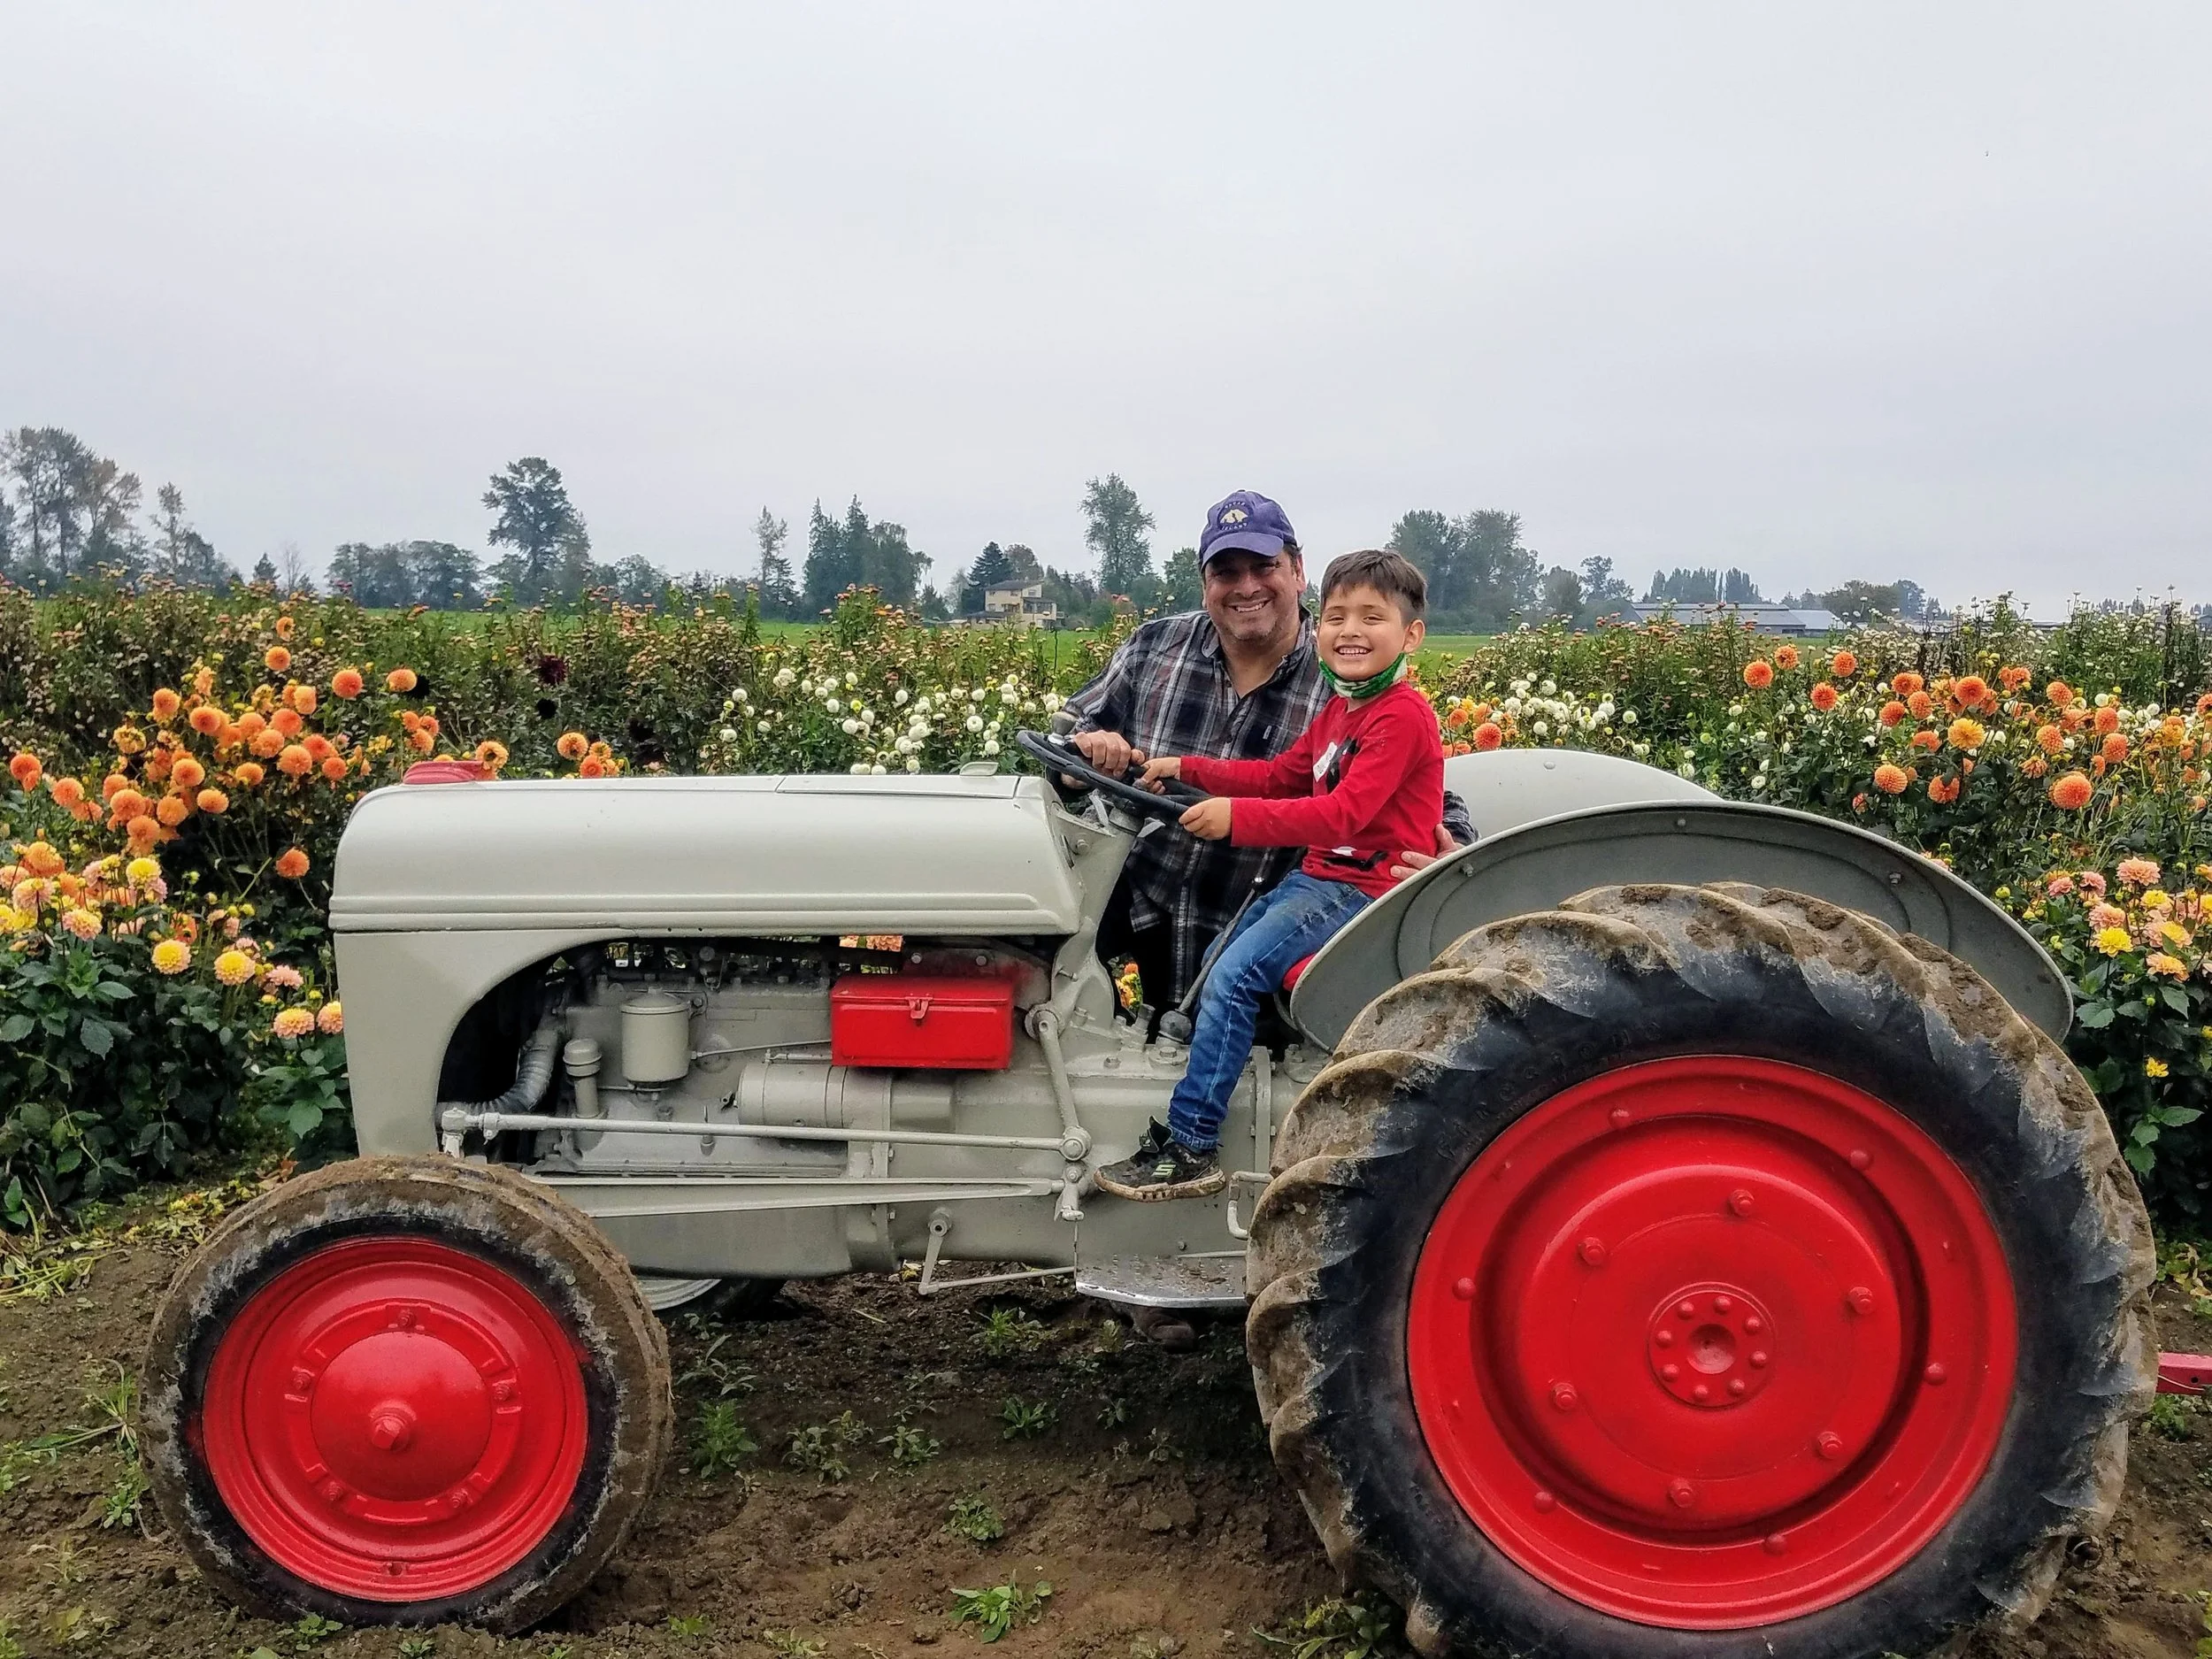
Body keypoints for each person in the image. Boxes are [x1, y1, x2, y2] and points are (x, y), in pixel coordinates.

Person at [1094, 549, 1444, 1201]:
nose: (1350, 630)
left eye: (1373, 616)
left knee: (1233, 975)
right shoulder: (1342, 710)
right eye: (1337, 616)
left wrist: (1236, 820)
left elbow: (1342, 814)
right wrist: (1187, 767)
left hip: (1358, 889)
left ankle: (1191, 1142)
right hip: (1318, 881)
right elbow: (1280, 775)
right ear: (1319, 628)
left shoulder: (1401, 715)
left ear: (1411, 634)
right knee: (1223, 963)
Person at [1061, 490, 1469, 1023]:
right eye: (1226, 571)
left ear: (1298, 572)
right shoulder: (1152, 648)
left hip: (1275, 923)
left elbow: (1432, 798)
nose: (1246, 586)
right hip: (1147, 906)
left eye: (1264, 566)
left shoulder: (1352, 681)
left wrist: (1451, 852)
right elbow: (1070, 735)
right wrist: (1087, 753)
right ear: (1205, 582)